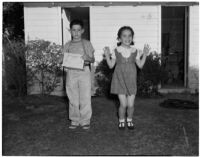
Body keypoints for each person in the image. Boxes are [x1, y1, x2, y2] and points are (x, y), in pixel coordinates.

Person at [103, 26, 150, 130]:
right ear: (119, 39)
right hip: (119, 80)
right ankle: (121, 120)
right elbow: (111, 65)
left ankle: (129, 120)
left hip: (131, 81)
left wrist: (145, 54)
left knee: (130, 104)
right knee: (123, 104)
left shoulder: (135, 51)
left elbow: (140, 65)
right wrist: (107, 55)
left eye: (130, 36)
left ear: (132, 38)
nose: (127, 38)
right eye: (124, 36)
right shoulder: (116, 50)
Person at [62, 19, 95, 130]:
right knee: (72, 97)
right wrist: (60, 60)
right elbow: (63, 60)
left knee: (85, 97)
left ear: (82, 31)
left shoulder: (87, 43)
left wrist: (88, 58)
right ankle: (75, 119)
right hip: (71, 72)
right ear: (70, 31)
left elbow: (92, 59)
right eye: (73, 30)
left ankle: (85, 120)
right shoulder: (67, 45)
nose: (76, 33)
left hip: (84, 71)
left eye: (78, 30)